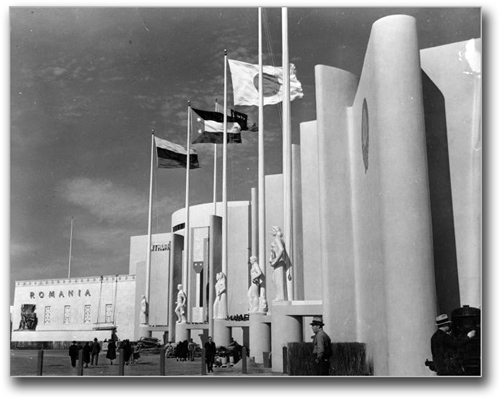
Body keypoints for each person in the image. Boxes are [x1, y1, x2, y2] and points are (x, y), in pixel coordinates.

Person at [269, 226, 292, 301]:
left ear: (276, 231)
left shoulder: (277, 239)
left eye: (272, 230)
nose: (271, 231)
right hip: (279, 263)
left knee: (278, 280)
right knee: (274, 279)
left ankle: (280, 297)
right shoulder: (279, 239)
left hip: (279, 262)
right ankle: (279, 296)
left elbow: (281, 249)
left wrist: (275, 260)